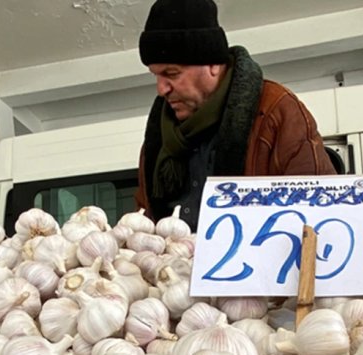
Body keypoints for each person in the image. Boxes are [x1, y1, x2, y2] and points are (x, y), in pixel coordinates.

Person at [134, 0, 338, 225]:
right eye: (156, 76)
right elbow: (145, 218)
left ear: (211, 63)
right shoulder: (158, 137)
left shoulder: (276, 112)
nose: (161, 89)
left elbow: (320, 212)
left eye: (171, 73)